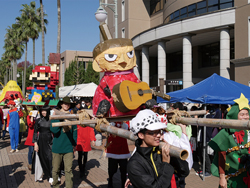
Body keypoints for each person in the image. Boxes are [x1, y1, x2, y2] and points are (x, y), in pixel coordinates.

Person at [209, 93, 250, 188]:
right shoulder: (226, 133)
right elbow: (221, 156)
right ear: (236, 115)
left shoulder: (248, 131)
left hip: (247, 176)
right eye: (242, 114)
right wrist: (222, 178)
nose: (246, 117)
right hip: (231, 177)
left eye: (247, 114)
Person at [127, 109, 175, 188]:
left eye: (159, 131)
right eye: (153, 133)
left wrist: (172, 152)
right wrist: (166, 163)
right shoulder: (134, 164)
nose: (159, 135)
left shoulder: (160, 152)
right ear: (141, 135)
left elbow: (184, 171)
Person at [50, 96, 77, 188]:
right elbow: (55, 131)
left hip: (68, 147)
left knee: (68, 170)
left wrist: (74, 145)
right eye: (65, 103)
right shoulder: (55, 115)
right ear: (61, 104)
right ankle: (56, 185)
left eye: (68, 104)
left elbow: (74, 131)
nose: (67, 105)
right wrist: (60, 118)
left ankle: (69, 186)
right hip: (57, 147)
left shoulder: (72, 116)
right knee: (56, 169)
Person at [33, 105, 53, 184]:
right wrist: (35, 144)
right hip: (40, 140)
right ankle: (47, 175)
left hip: (50, 140)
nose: (44, 112)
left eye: (45, 111)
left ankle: (51, 175)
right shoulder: (38, 120)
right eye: (42, 111)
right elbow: (35, 132)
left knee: (50, 158)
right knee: (42, 159)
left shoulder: (51, 120)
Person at [24, 106, 38, 171]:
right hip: (31, 136)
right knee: (31, 151)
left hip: (37, 135)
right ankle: (30, 164)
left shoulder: (38, 116)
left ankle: (36, 164)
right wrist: (31, 117)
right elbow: (30, 125)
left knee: (37, 152)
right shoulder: (28, 116)